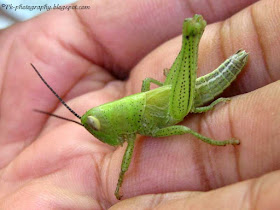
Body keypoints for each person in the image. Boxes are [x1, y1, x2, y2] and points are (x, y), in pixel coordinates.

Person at [0, 0, 279, 209]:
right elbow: (146, 84)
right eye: (95, 125)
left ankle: (192, 38)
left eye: (96, 125)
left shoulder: (135, 131)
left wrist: (218, 142)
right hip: (175, 96)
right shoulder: (131, 124)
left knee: (181, 124)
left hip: (186, 98)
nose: (98, 131)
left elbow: (173, 119)